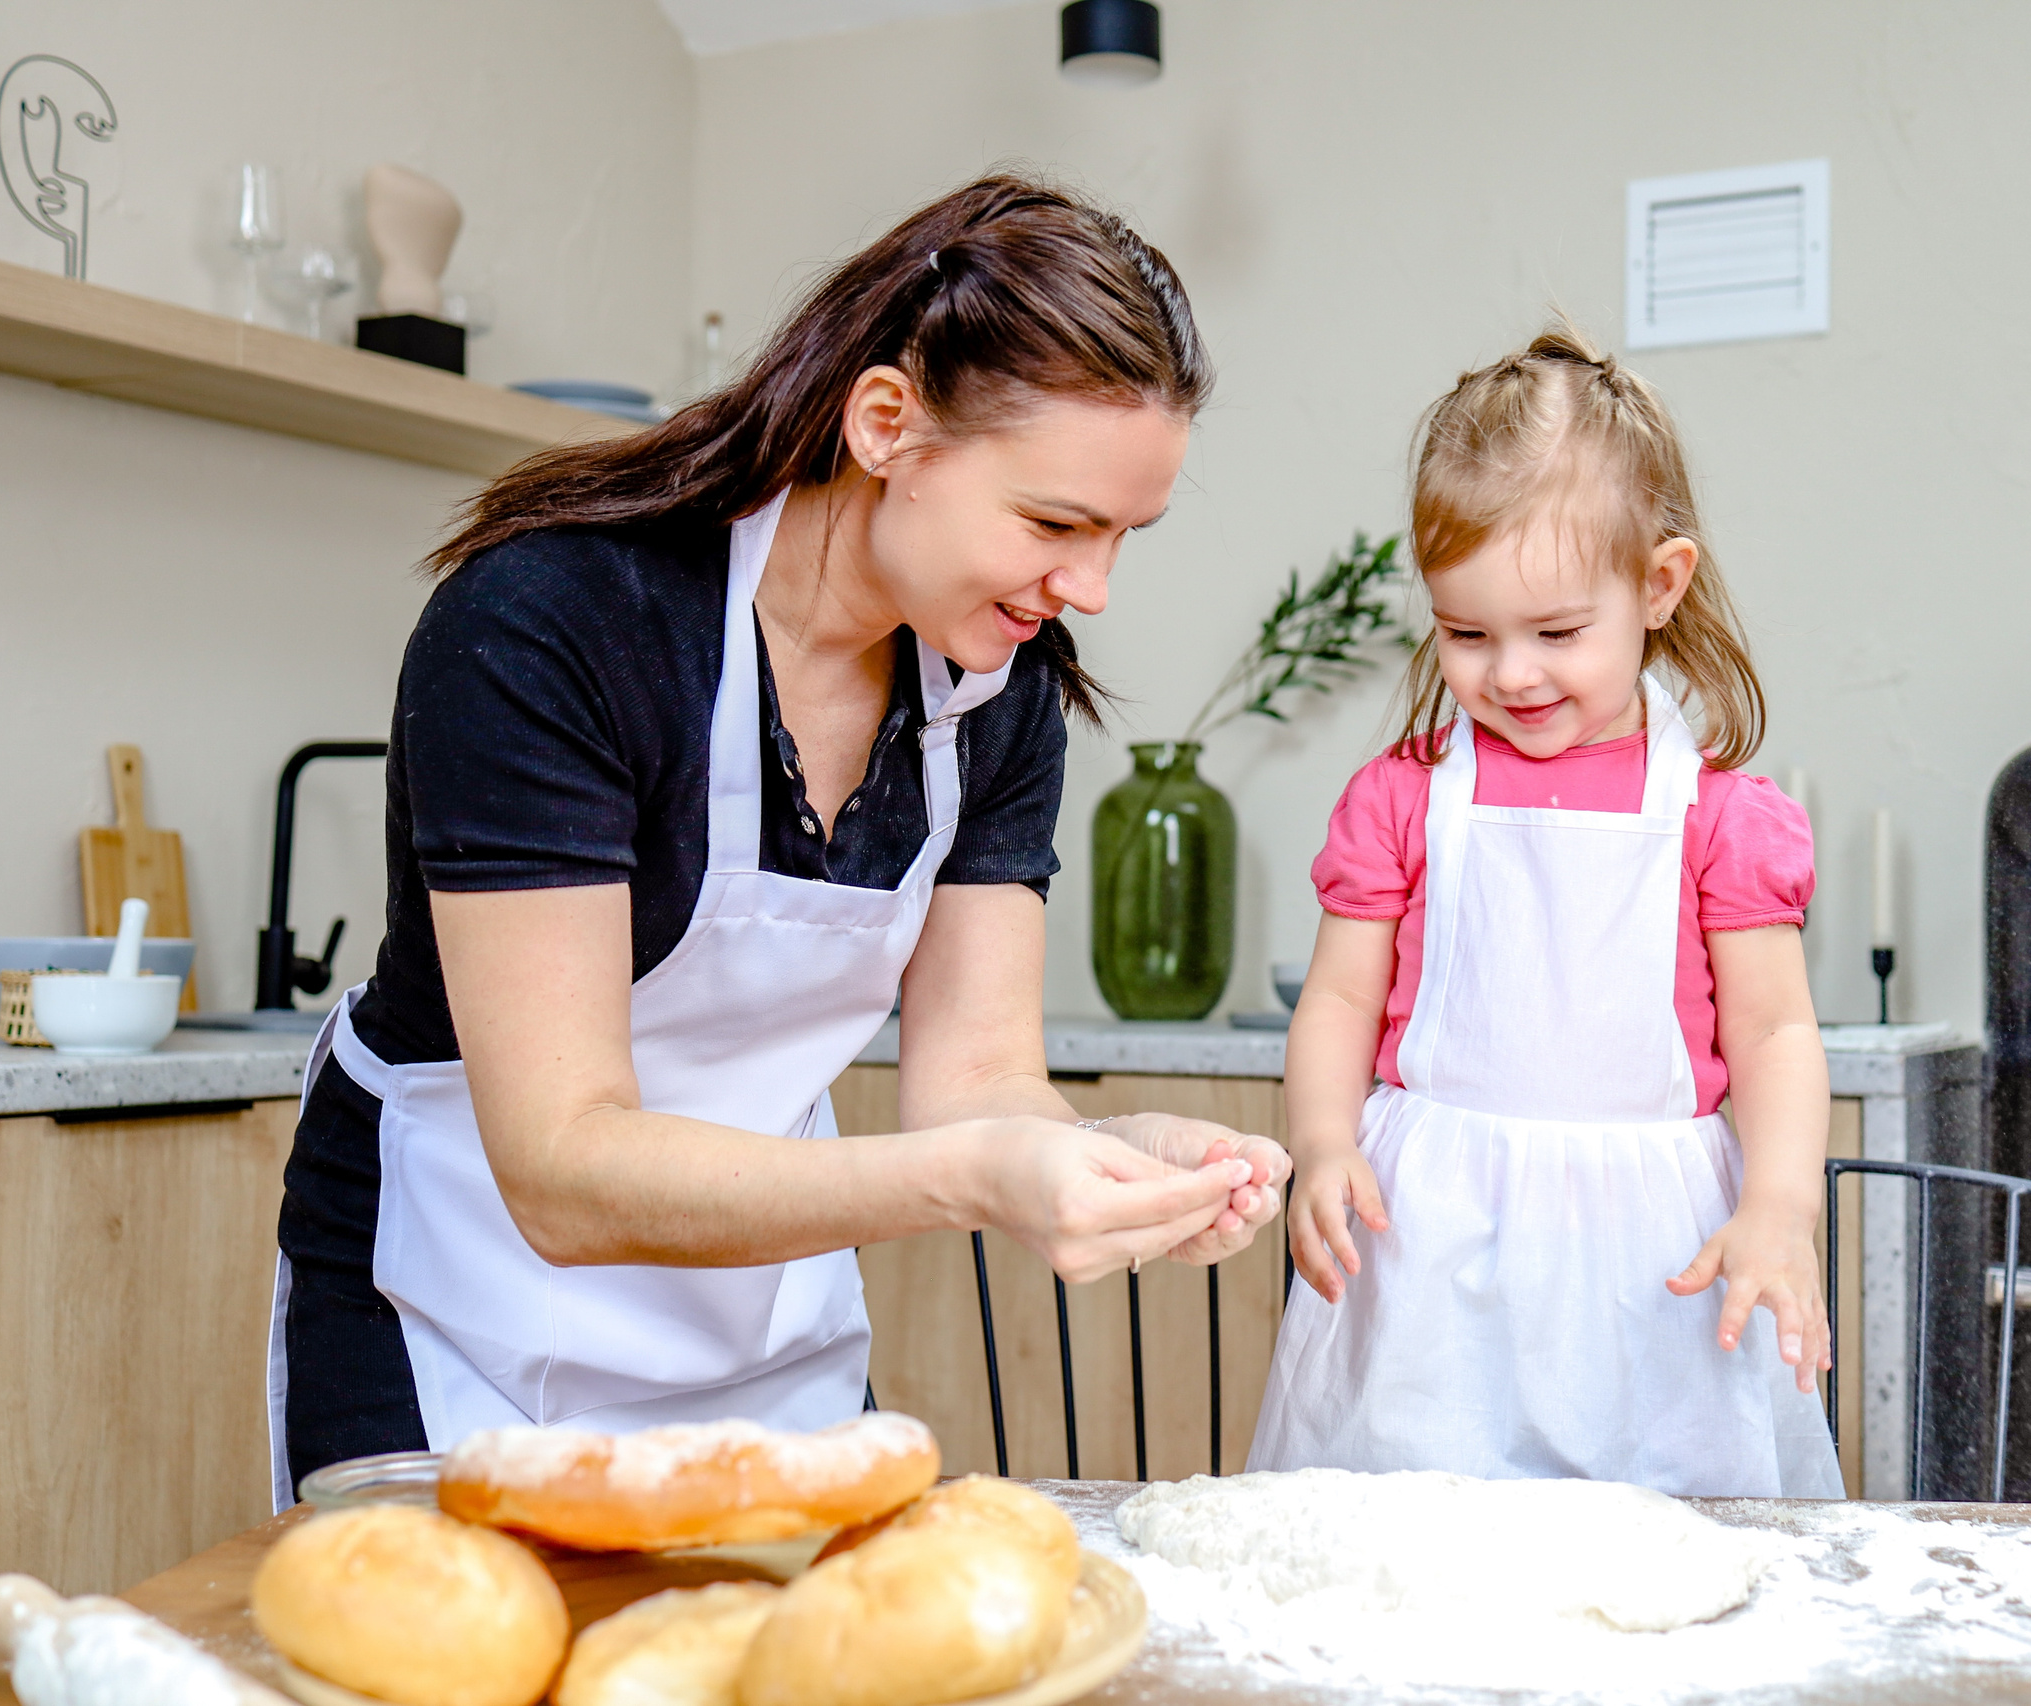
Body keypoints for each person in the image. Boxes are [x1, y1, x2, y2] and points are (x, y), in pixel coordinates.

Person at [271, 175, 1287, 1505]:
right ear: (886, 425)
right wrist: (982, 1176)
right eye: (1054, 523)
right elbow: (566, 1170)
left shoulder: (997, 694)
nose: (1088, 587)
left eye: (1121, 537)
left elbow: (980, 1081)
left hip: (764, 1339)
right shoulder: (556, 626)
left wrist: (1124, 1153)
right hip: (459, 1311)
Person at [1246, 324, 1842, 1496]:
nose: (1510, 674)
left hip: (1656, 1259)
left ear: (1657, 585)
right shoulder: (1401, 799)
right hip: (1432, 1259)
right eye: (1466, 633)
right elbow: (1338, 998)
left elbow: (1774, 1032)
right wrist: (1321, 1143)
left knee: (1667, 1575)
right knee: (1419, 1559)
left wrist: (1777, 1204)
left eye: (1556, 632)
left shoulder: (1723, 817)